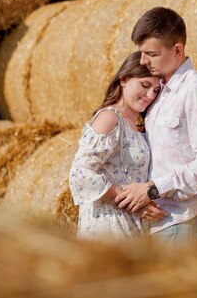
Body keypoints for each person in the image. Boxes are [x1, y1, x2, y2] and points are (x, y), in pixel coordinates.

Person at [114, 7, 197, 245]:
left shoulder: (195, 91)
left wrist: (152, 190)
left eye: (151, 54)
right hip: (154, 222)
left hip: (180, 222)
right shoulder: (159, 92)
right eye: (141, 53)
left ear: (177, 50)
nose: (143, 61)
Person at [69, 51, 167, 240]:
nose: (150, 95)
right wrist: (132, 203)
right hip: (108, 224)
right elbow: (80, 174)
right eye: (145, 85)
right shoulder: (110, 118)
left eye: (156, 90)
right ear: (123, 79)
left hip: (130, 224)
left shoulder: (136, 124)